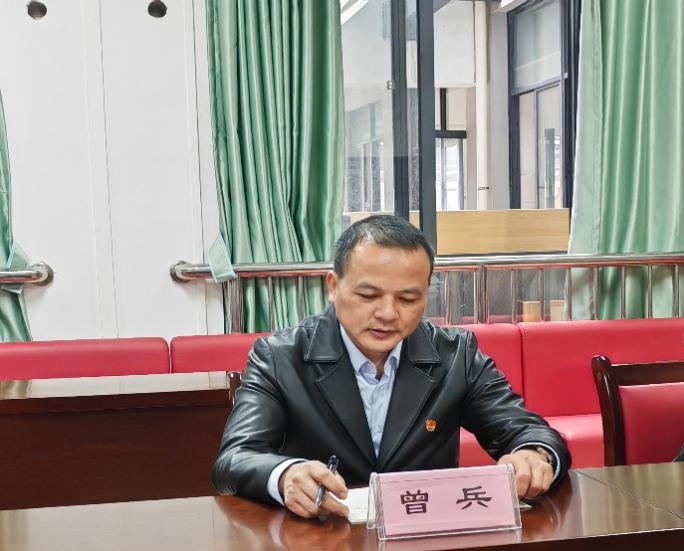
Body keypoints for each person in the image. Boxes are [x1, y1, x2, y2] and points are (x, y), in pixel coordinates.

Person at [212, 215, 571, 519]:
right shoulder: (280, 357)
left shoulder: (455, 356)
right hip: (322, 535)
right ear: (333, 286)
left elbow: (529, 432)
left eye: (408, 299)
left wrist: (533, 455)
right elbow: (234, 459)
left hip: (424, 533)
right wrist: (286, 475)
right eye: (368, 296)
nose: (387, 313)